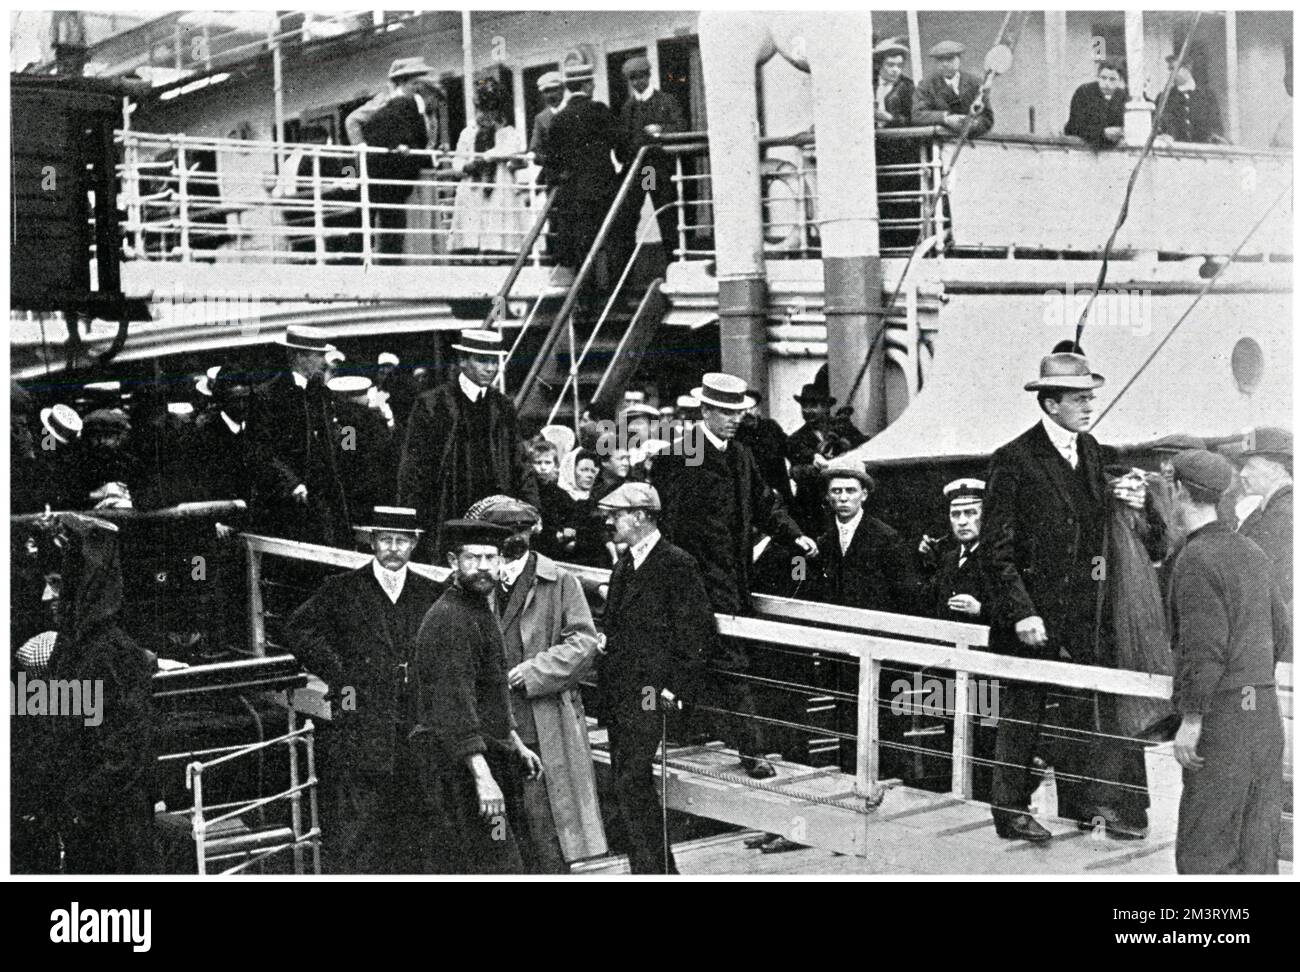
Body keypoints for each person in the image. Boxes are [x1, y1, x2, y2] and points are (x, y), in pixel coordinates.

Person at [982, 351, 1164, 842]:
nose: (1089, 407)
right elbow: (996, 550)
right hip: (1033, 618)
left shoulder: (1092, 451)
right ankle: (1010, 812)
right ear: (1049, 402)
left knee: (1085, 709)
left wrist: (1128, 498)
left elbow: (1095, 524)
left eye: (1090, 398)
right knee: (1022, 711)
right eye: (1079, 399)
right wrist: (1022, 612)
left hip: (1085, 614)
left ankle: (1089, 806)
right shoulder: (1013, 459)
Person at [653, 373, 817, 778]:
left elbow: (764, 504)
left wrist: (796, 538)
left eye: (738, 412)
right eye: (725, 412)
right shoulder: (685, 453)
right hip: (693, 583)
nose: (733, 419)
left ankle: (689, 736)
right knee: (722, 661)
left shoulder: (741, 455)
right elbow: (670, 524)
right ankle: (751, 751)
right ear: (705, 411)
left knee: (709, 660)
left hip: (732, 581)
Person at [286, 506, 443, 873]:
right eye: (385, 539)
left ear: (414, 544)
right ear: (372, 541)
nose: (392, 548)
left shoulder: (432, 593)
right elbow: (298, 629)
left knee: (415, 818)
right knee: (360, 822)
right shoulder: (343, 588)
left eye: (401, 540)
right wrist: (341, 672)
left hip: (414, 720)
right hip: (360, 717)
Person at [465, 496, 606, 872]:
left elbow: (583, 641)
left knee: (543, 827)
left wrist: (534, 672)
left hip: (541, 723)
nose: (515, 538)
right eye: (506, 532)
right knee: (495, 825)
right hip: (488, 724)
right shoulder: (476, 579)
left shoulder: (559, 581)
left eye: (521, 530)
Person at [1165, 450, 1290, 873]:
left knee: (1206, 851)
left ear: (1180, 490)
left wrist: (1192, 720)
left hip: (1223, 719)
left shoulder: (1196, 558)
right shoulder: (1251, 550)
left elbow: (1204, 650)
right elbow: (1283, 632)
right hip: (1262, 711)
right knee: (1257, 851)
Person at [411, 519, 544, 873]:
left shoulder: (477, 609)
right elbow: (454, 705)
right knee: (495, 864)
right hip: (460, 768)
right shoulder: (451, 618)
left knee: (504, 858)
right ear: (454, 562)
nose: (483, 566)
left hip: (487, 755)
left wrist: (515, 741)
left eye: (490, 557)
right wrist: (483, 778)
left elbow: (488, 690)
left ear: (501, 562)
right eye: (473, 558)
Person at [597, 483, 710, 873]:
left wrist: (675, 686)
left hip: (650, 694)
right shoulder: (624, 565)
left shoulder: (676, 563)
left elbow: (696, 631)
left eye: (616, 514)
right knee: (629, 784)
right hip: (621, 694)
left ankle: (654, 871)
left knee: (632, 781)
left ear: (641, 516)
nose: (609, 521)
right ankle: (655, 870)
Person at [42, 512, 160, 873]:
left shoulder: (114, 654)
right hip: (81, 820)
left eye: (59, 584)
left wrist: (77, 806)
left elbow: (126, 754)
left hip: (114, 828)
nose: (47, 596)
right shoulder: (68, 649)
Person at [397, 328, 538, 555]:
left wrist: (532, 510)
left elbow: (519, 463)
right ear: (463, 360)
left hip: (495, 519)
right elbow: (413, 470)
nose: (490, 368)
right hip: (444, 516)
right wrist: (410, 522)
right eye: (483, 360)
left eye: (494, 361)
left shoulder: (503, 406)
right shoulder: (432, 404)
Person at [248, 324, 352, 547]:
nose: (324, 362)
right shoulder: (267, 395)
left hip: (322, 501)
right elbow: (260, 450)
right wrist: (292, 484)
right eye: (318, 356)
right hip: (285, 504)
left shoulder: (321, 393)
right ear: (298, 356)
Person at [543, 59, 620, 289]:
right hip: (601, 189)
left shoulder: (558, 120)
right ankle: (611, 290)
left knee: (580, 243)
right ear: (588, 85)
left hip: (572, 194)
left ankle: (583, 297)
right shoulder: (600, 111)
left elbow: (552, 161)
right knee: (608, 237)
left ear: (567, 88)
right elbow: (621, 145)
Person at [354, 75, 442, 262]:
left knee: (390, 218)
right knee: (386, 218)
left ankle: (389, 260)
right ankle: (379, 261)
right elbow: (377, 123)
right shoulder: (402, 103)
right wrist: (396, 144)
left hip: (395, 172)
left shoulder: (420, 112)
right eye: (436, 99)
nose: (437, 105)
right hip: (385, 169)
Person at [614, 54, 687, 267]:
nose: (638, 82)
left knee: (665, 215)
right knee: (627, 219)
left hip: (655, 170)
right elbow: (622, 142)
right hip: (636, 170)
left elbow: (681, 128)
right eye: (633, 78)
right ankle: (627, 273)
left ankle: (674, 264)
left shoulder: (665, 101)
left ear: (649, 76)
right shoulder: (627, 108)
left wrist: (662, 130)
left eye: (641, 76)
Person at [449, 77, 529, 254]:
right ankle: (471, 251)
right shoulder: (468, 132)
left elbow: (511, 149)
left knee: (497, 219)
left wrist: (486, 157)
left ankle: (498, 252)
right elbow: (457, 160)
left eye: (490, 110)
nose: (485, 115)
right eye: (482, 110)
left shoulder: (506, 132)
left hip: (498, 183)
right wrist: (466, 167)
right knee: (473, 222)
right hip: (473, 185)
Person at [786, 383, 866, 534]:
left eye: (813, 405)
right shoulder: (794, 439)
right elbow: (802, 467)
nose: (807, 411)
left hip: (845, 509)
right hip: (812, 512)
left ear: (826, 407)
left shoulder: (842, 428)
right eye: (804, 405)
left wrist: (845, 438)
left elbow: (864, 445)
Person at [1232, 427, 1292, 606]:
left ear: (1275, 470)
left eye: (1250, 466)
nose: (1243, 474)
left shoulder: (1283, 513)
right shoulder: (1271, 508)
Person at [918, 478, 990, 623]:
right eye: (955, 514)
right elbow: (924, 603)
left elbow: (1020, 616)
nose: (962, 522)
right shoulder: (949, 559)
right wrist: (924, 560)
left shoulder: (998, 559)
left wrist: (980, 609)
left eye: (970, 513)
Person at [344, 56, 434, 146]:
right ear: (402, 82)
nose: (418, 87)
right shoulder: (387, 99)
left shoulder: (420, 101)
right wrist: (361, 147)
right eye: (414, 83)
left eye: (420, 83)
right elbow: (352, 120)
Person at [913, 40, 994, 138]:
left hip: (970, 143)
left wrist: (974, 125)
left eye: (950, 59)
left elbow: (987, 118)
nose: (945, 64)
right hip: (940, 143)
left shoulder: (975, 83)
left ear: (959, 59)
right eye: (940, 60)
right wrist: (945, 118)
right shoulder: (926, 85)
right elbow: (917, 115)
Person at [735, 390, 793, 506]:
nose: (747, 412)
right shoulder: (736, 434)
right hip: (752, 495)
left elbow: (790, 449)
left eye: (751, 408)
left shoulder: (771, 427)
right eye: (742, 409)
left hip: (779, 492)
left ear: (758, 408)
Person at [1156, 54, 1225, 145]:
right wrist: (1163, 135)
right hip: (1175, 152)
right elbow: (1158, 125)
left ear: (1187, 68)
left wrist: (1215, 137)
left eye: (1173, 69)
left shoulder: (1207, 96)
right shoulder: (1164, 98)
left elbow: (1216, 125)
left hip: (1204, 152)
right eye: (1169, 70)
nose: (1170, 74)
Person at [1065, 59, 1128, 148]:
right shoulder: (1084, 92)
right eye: (1103, 78)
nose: (1106, 83)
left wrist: (1121, 132)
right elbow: (1073, 126)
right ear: (1098, 77)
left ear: (1120, 81)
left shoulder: (1123, 97)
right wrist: (1102, 133)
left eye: (1112, 79)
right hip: (1082, 150)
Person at [528, 71, 566, 171]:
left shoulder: (574, 110)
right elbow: (535, 148)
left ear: (563, 89)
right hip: (555, 174)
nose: (550, 95)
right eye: (546, 92)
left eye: (554, 90)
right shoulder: (541, 118)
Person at [873, 38, 914, 129]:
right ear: (878, 65)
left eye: (899, 66)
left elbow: (914, 119)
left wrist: (891, 118)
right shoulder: (869, 84)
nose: (896, 70)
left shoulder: (907, 87)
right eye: (890, 65)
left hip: (897, 140)